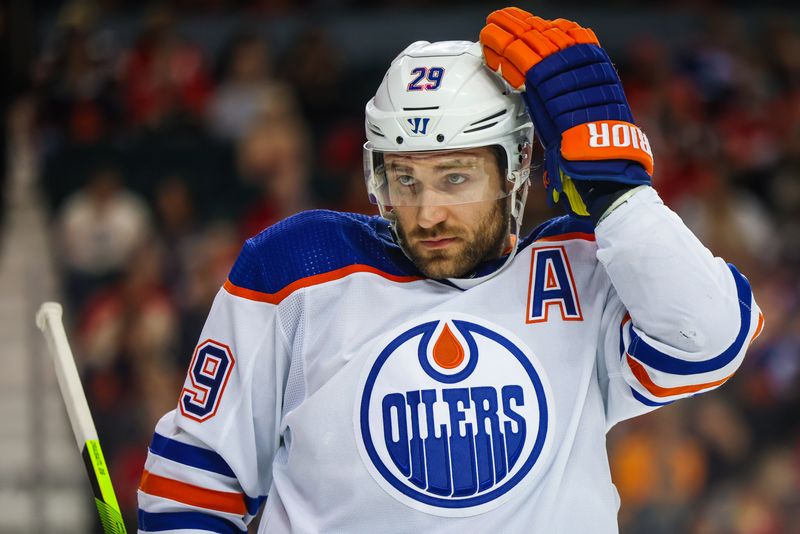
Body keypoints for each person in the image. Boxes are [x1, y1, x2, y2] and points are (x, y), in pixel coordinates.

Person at [137, 8, 763, 533]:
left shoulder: (582, 265)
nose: (427, 210)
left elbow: (708, 340)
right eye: (405, 178)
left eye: (456, 177)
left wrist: (621, 196)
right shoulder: (298, 266)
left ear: (516, 167)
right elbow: (197, 481)